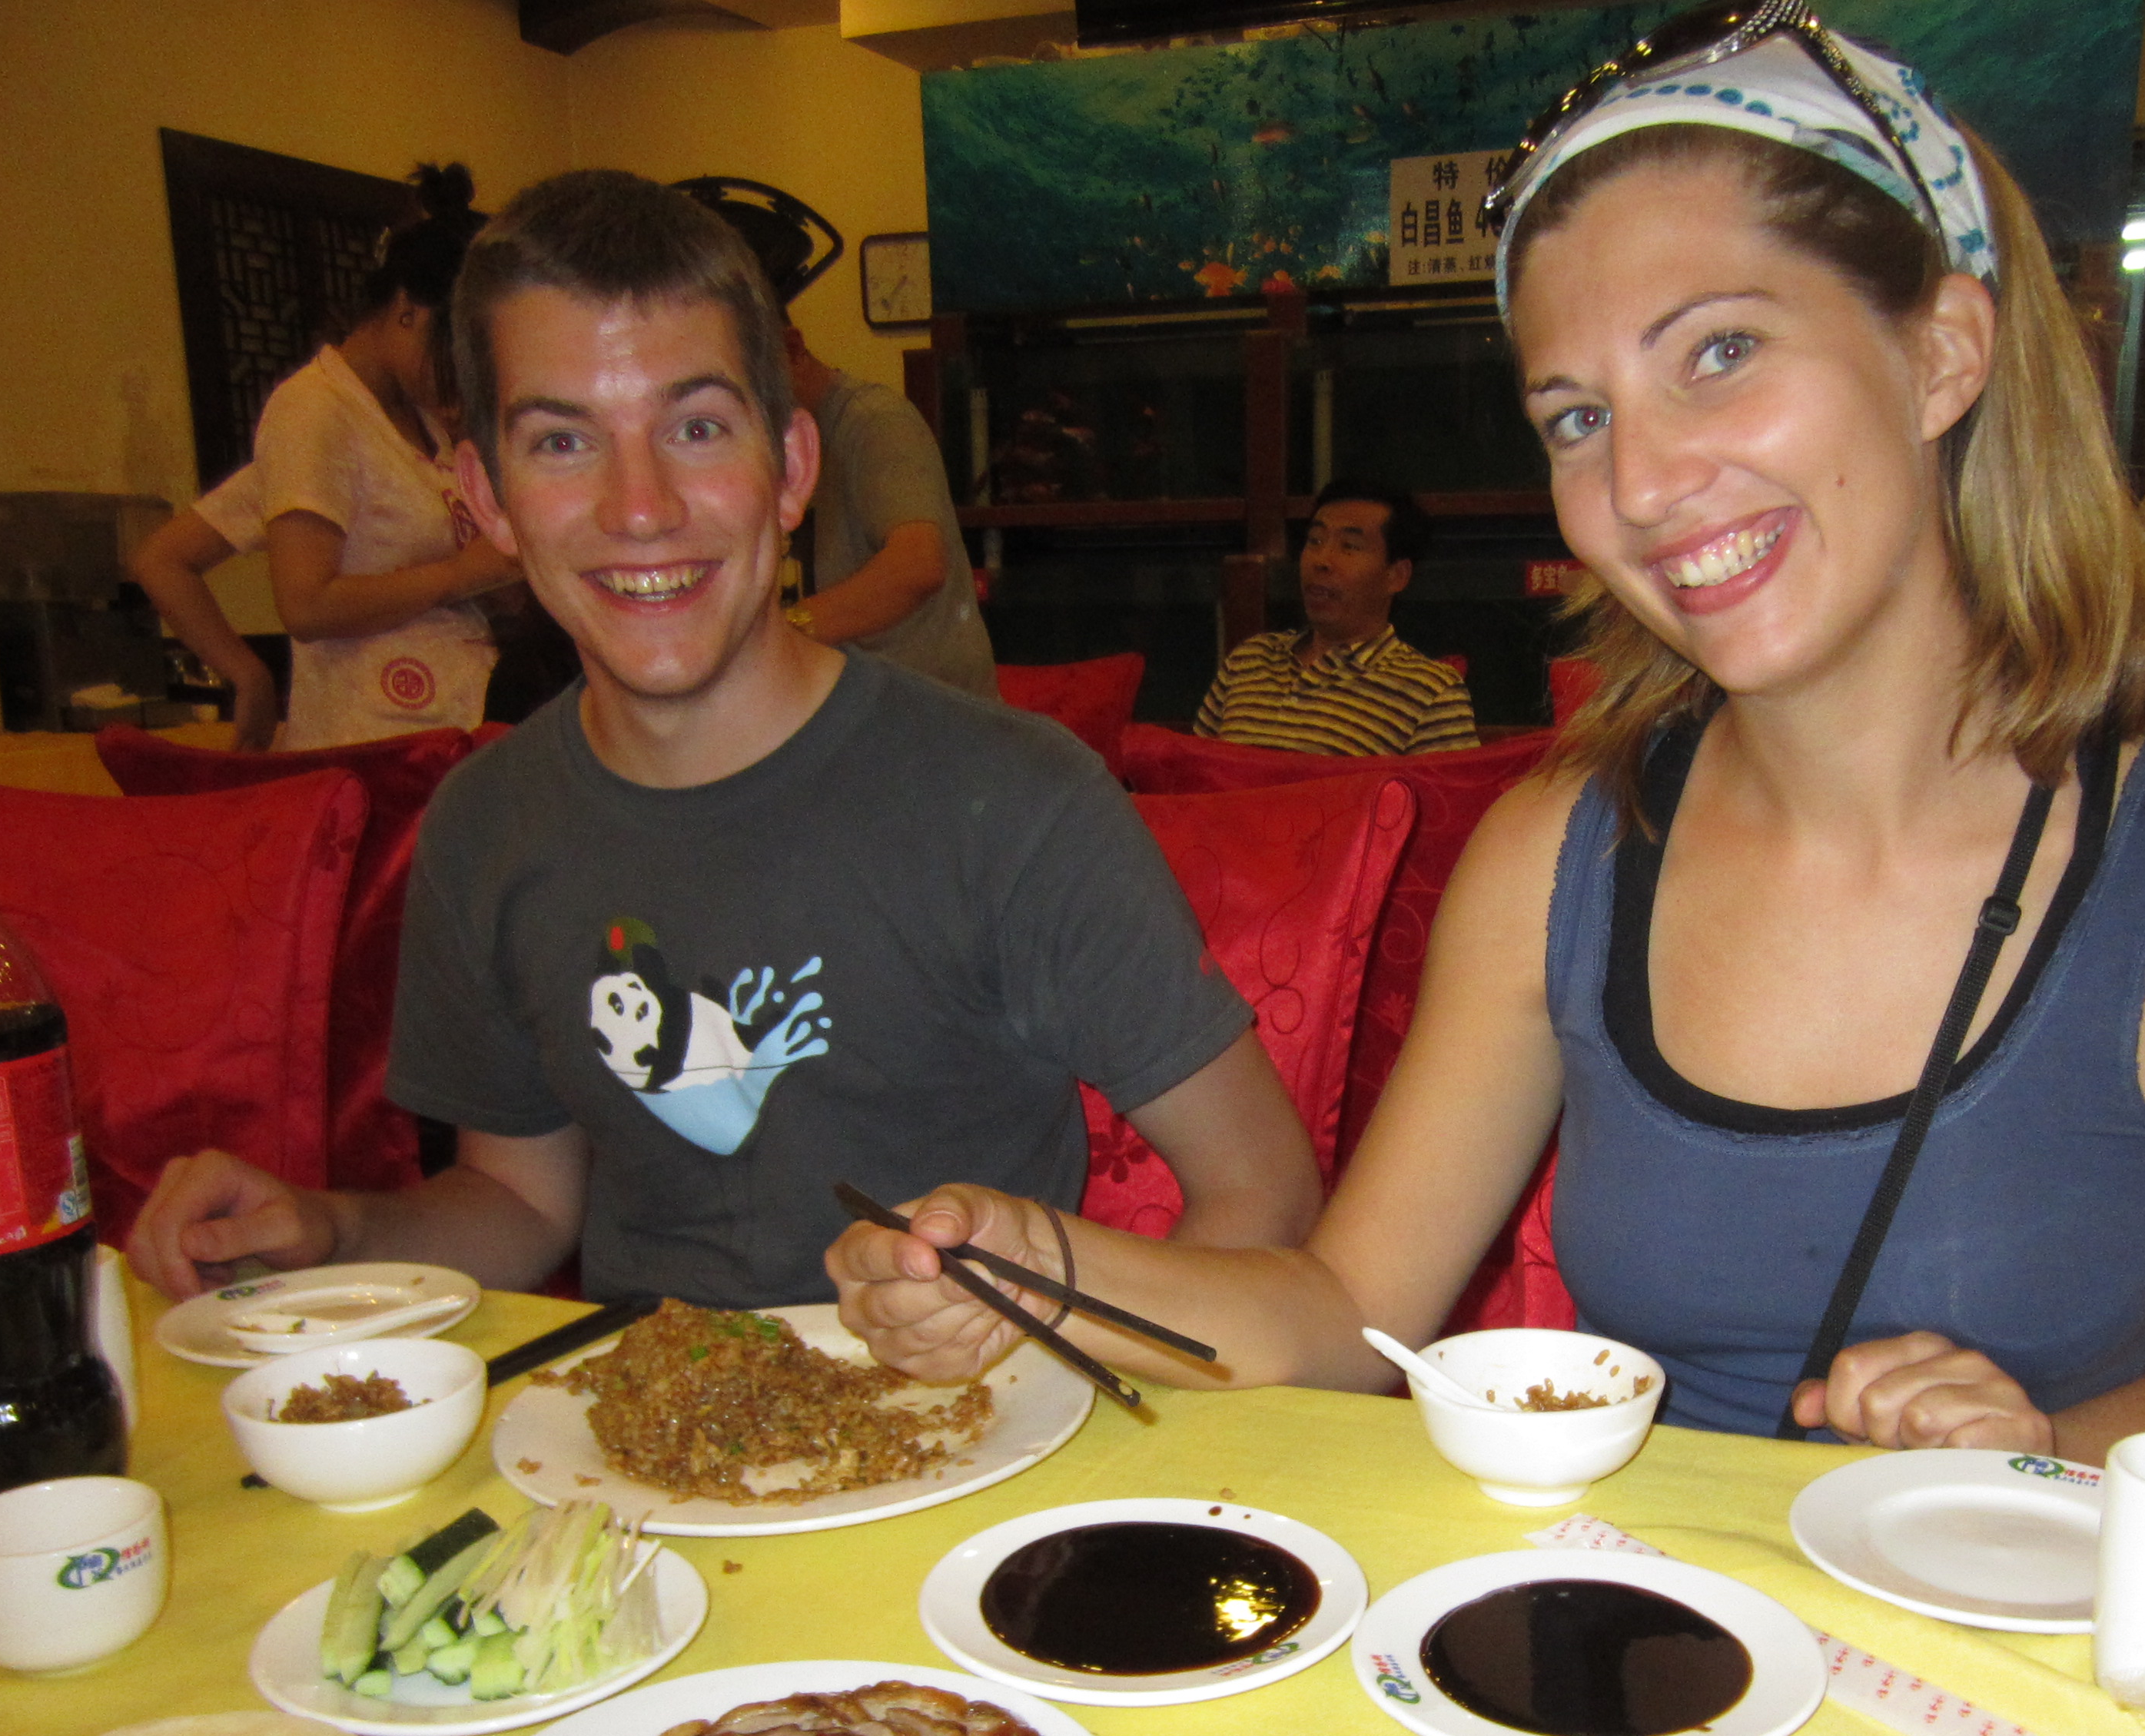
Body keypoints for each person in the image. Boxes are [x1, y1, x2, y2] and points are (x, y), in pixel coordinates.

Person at [832, 4, 2145, 1462]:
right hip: (1652, 1648)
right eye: (1578, 418)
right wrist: (1039, 1265)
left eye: (1720, 353)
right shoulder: (1557, 858)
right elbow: (1344, 1314)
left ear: (1943, 350)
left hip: (2007, 1642)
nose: (1645, 484)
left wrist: (2046, 1459)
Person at [128, 171, 1320, 1309]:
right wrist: (332, 1234)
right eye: (562, 443)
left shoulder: (1015, 798)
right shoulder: (485, 822)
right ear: (486, 502)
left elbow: (1261, 1188)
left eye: (696, 428)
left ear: (789, 467)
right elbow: (519, 1200)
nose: (639, 507)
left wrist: (1053, 1363)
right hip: (644, 1412)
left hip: (970, 1415)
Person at [255, 162, 519, 747]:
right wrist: (459, 575)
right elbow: (305, 604)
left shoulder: (425, 422)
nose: (460, 376)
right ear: (408, 309)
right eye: (455, 350)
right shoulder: (315, 407)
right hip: (373, 737)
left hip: (457, 716)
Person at [781, 323, 998, 698]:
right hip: (886, 707)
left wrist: (786, 633)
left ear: (792, 347)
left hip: (933, 717)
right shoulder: (796, 439)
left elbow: (918, 566)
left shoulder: (876, 422)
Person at [1194, 480, 1477, 755]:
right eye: (1315, 541)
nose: (1322, 560)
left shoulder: (1430, 690)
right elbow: (1191, 772)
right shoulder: (1250, 659)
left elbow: (1444, 788)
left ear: (1396, 576)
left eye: (1349, 546)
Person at [126, 467, 279, 749]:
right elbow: (160, 563)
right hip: (337, 717)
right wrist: (249, 677)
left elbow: (159, 562)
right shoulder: (297, 463)